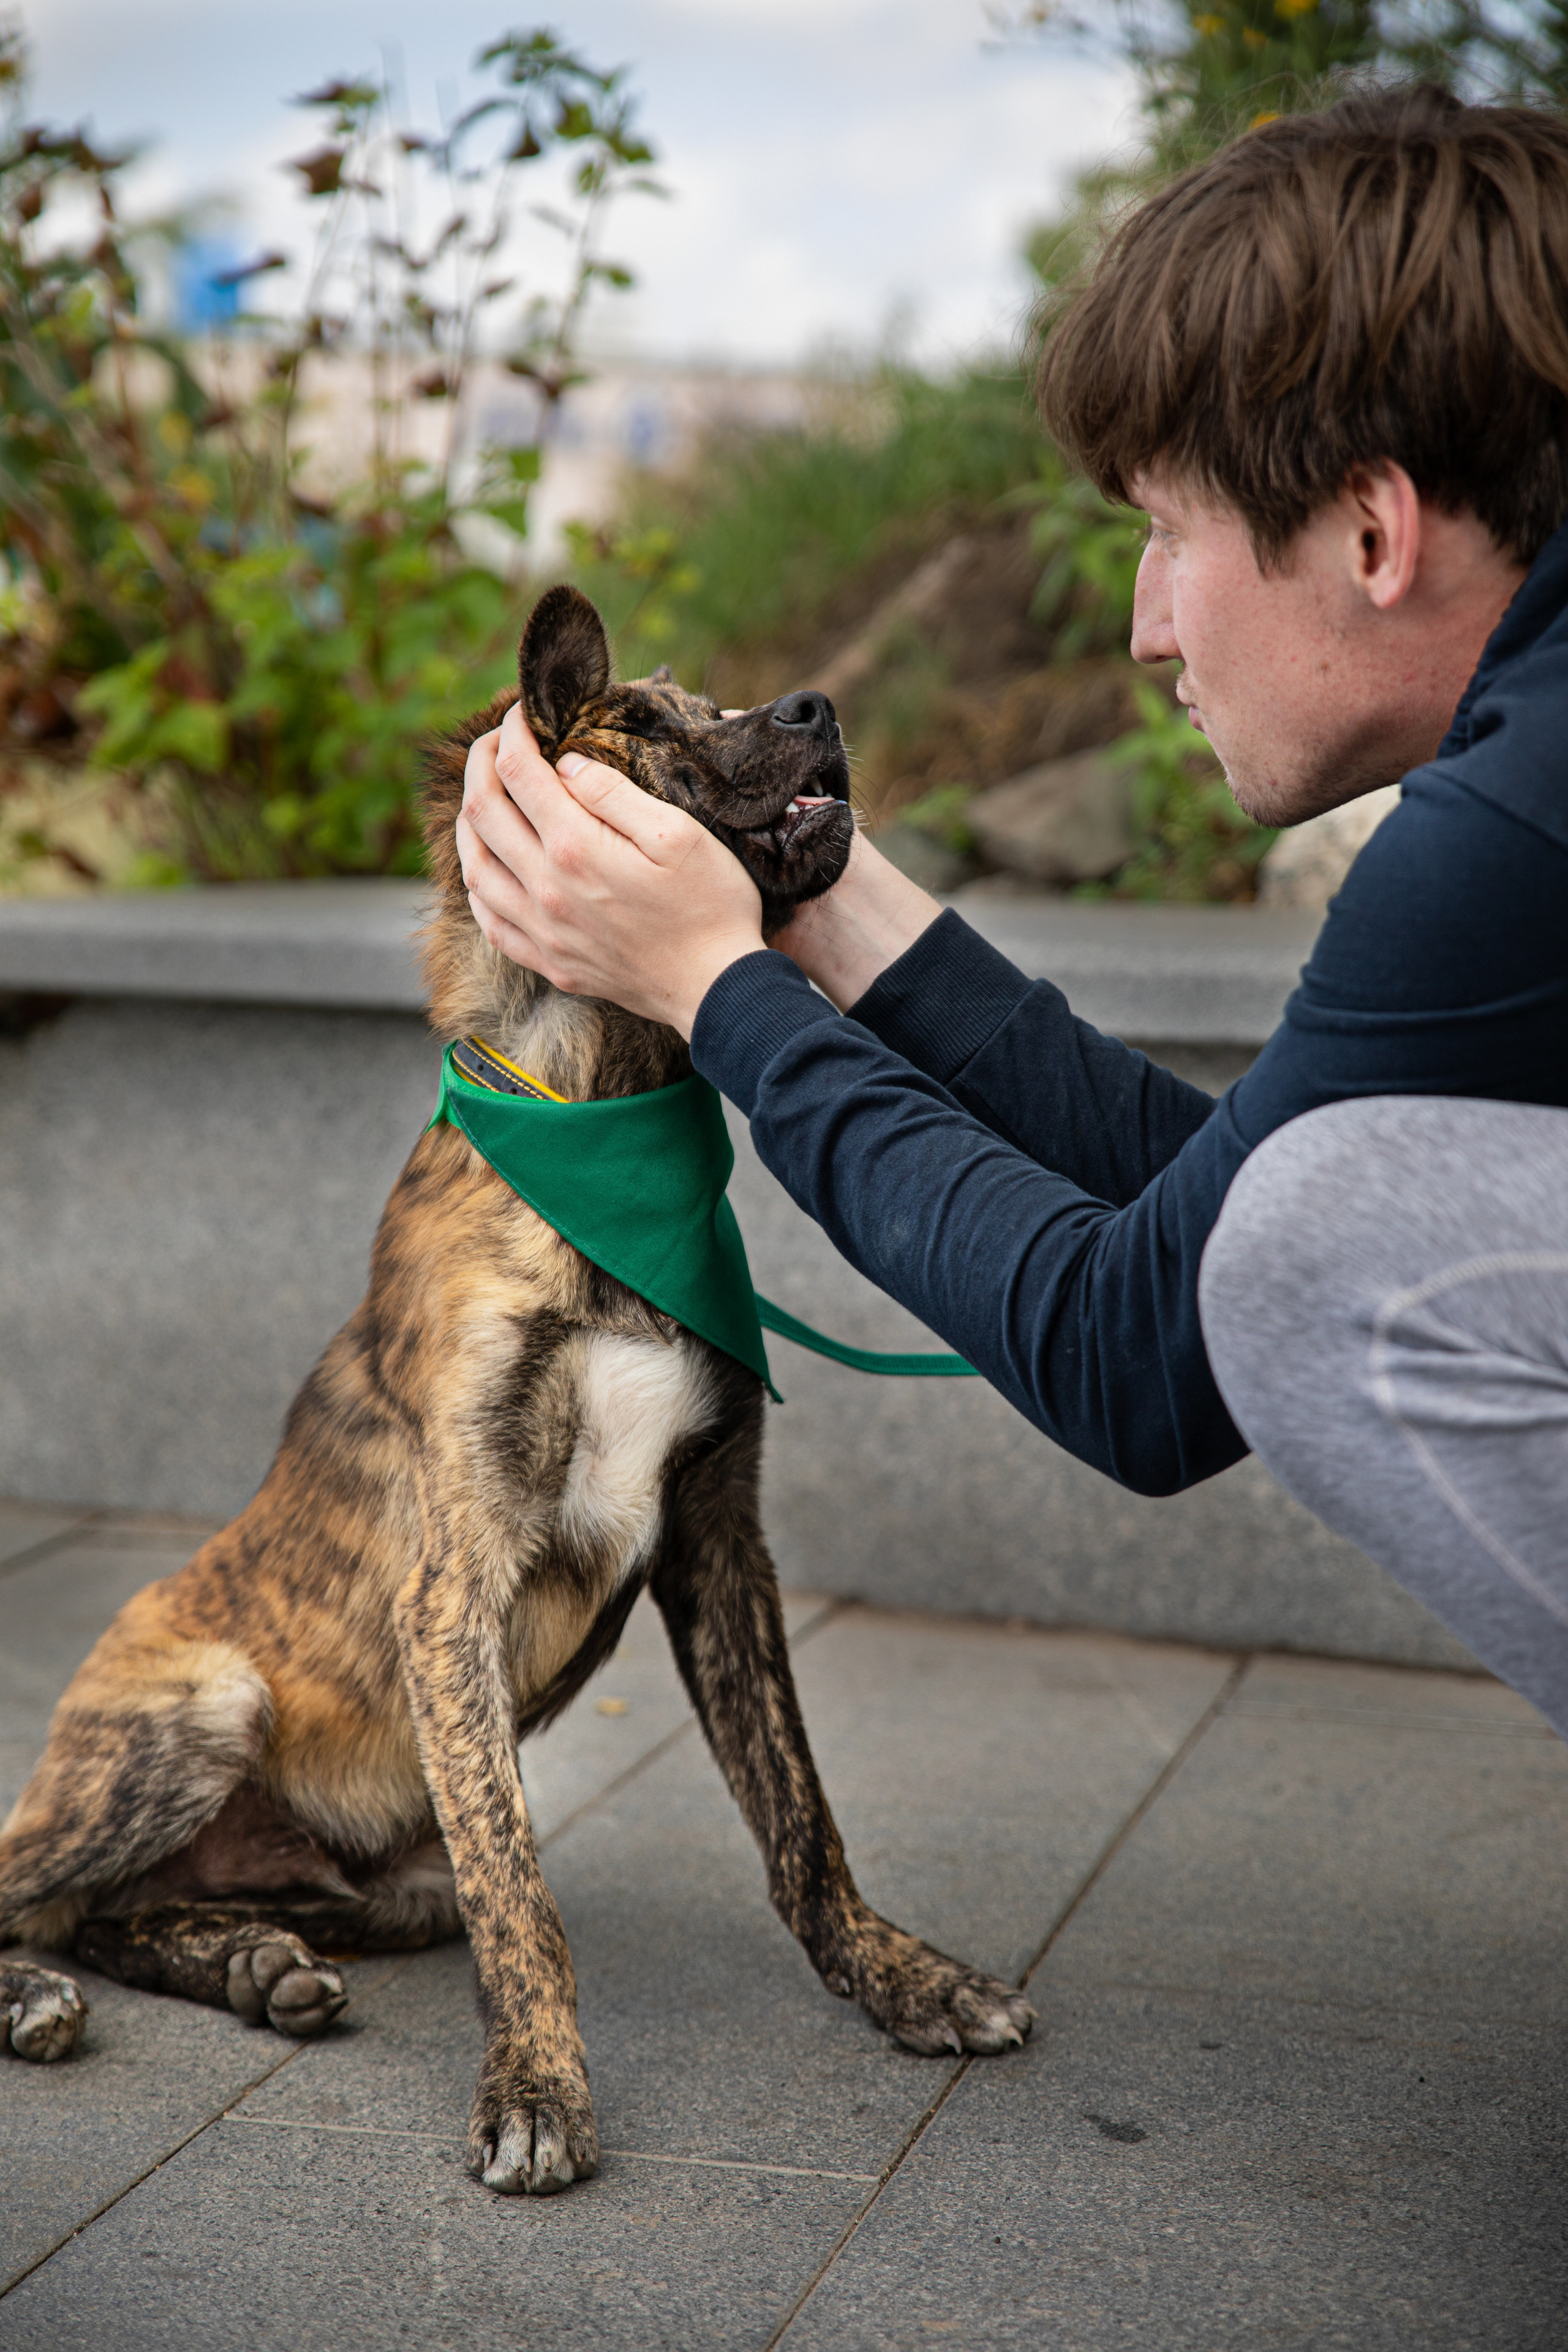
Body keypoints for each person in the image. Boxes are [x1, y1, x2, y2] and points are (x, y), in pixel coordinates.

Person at [456, 87, 1568, 1737]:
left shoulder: (1514, 823)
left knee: (1333, 1240)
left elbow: (1145, 1351)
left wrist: (716, 993)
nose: (1144, 628)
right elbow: (1205, 1206)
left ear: (1371, 527)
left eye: (1167, 533)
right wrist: (823, 911)